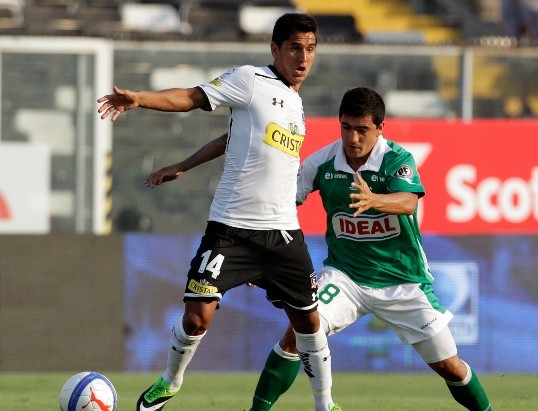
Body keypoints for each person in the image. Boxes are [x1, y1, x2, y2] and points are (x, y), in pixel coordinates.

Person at [146, 87, 493, 410]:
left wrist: (375, 200)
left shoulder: (396, 160)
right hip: (345, 277)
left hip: (402, 282)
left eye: (362, 130)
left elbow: (408, 201)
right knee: (298, 335)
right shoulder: (322, 163)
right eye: (346, 128)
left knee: (450, 366)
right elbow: (281, 204)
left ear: (380, 128)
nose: (353, 139)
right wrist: (256, 255)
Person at [97, 13, 340, 411]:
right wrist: (141, 99)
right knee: (196, 318)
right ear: (275, 49)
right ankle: (170, 381)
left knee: (309, 324)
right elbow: (192, 97)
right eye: (295, 48)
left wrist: (185, 164)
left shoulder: (296, 105)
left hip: (282, 233)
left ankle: (325, 404)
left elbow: (232, 138)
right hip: (231, 230)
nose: (303, 58)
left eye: (310, 49)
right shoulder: (249, 79)